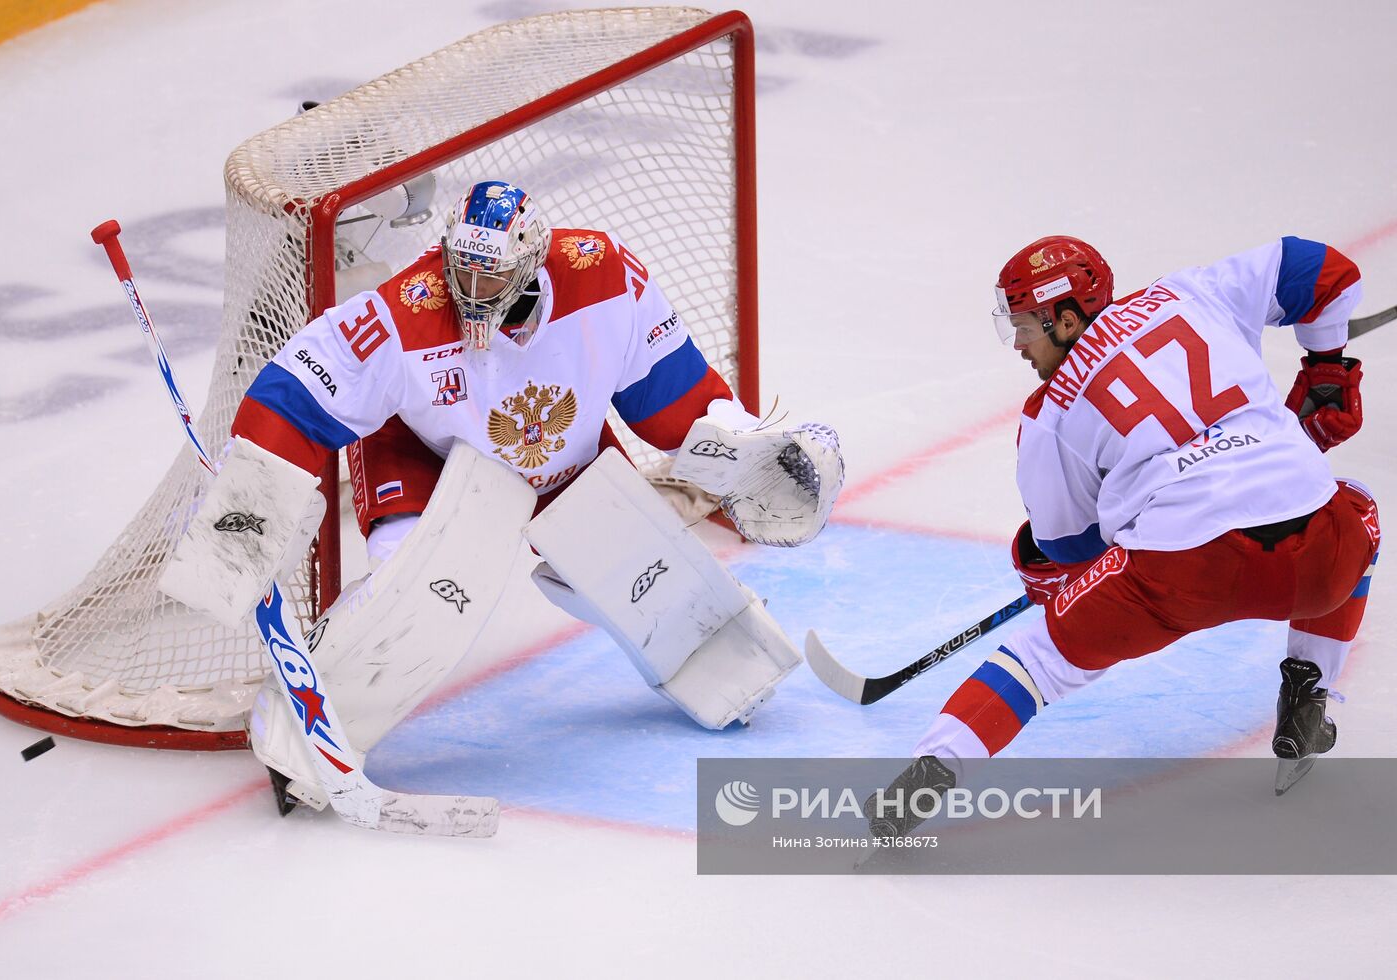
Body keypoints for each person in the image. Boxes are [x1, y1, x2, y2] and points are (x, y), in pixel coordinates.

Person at [159, 180, 843, 813]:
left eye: (492, 271)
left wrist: (745, 450)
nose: (473, 285)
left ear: (533, 261)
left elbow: (670, 393)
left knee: (644, 574)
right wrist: (248, 500)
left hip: (562, 450)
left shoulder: (602, 276)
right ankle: (299, 731)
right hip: (428, 456)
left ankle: (726, 672)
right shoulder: (404, 313)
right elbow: (295, 394)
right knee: (418, 594)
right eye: (464, 267)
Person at [870, 235, 1379, 835]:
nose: (1020, 347)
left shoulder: (1049, 414)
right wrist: (1326, 369)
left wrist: (1045, 569)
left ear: (1065, 317)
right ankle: (1307, 697)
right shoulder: (1191, 293)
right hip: (1316, 556)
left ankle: (927, 775)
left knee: (1040, 661)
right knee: (1360, 509)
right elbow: (1325, 272)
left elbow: (1072, 548)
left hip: (1181, 570)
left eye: (1026, 328)